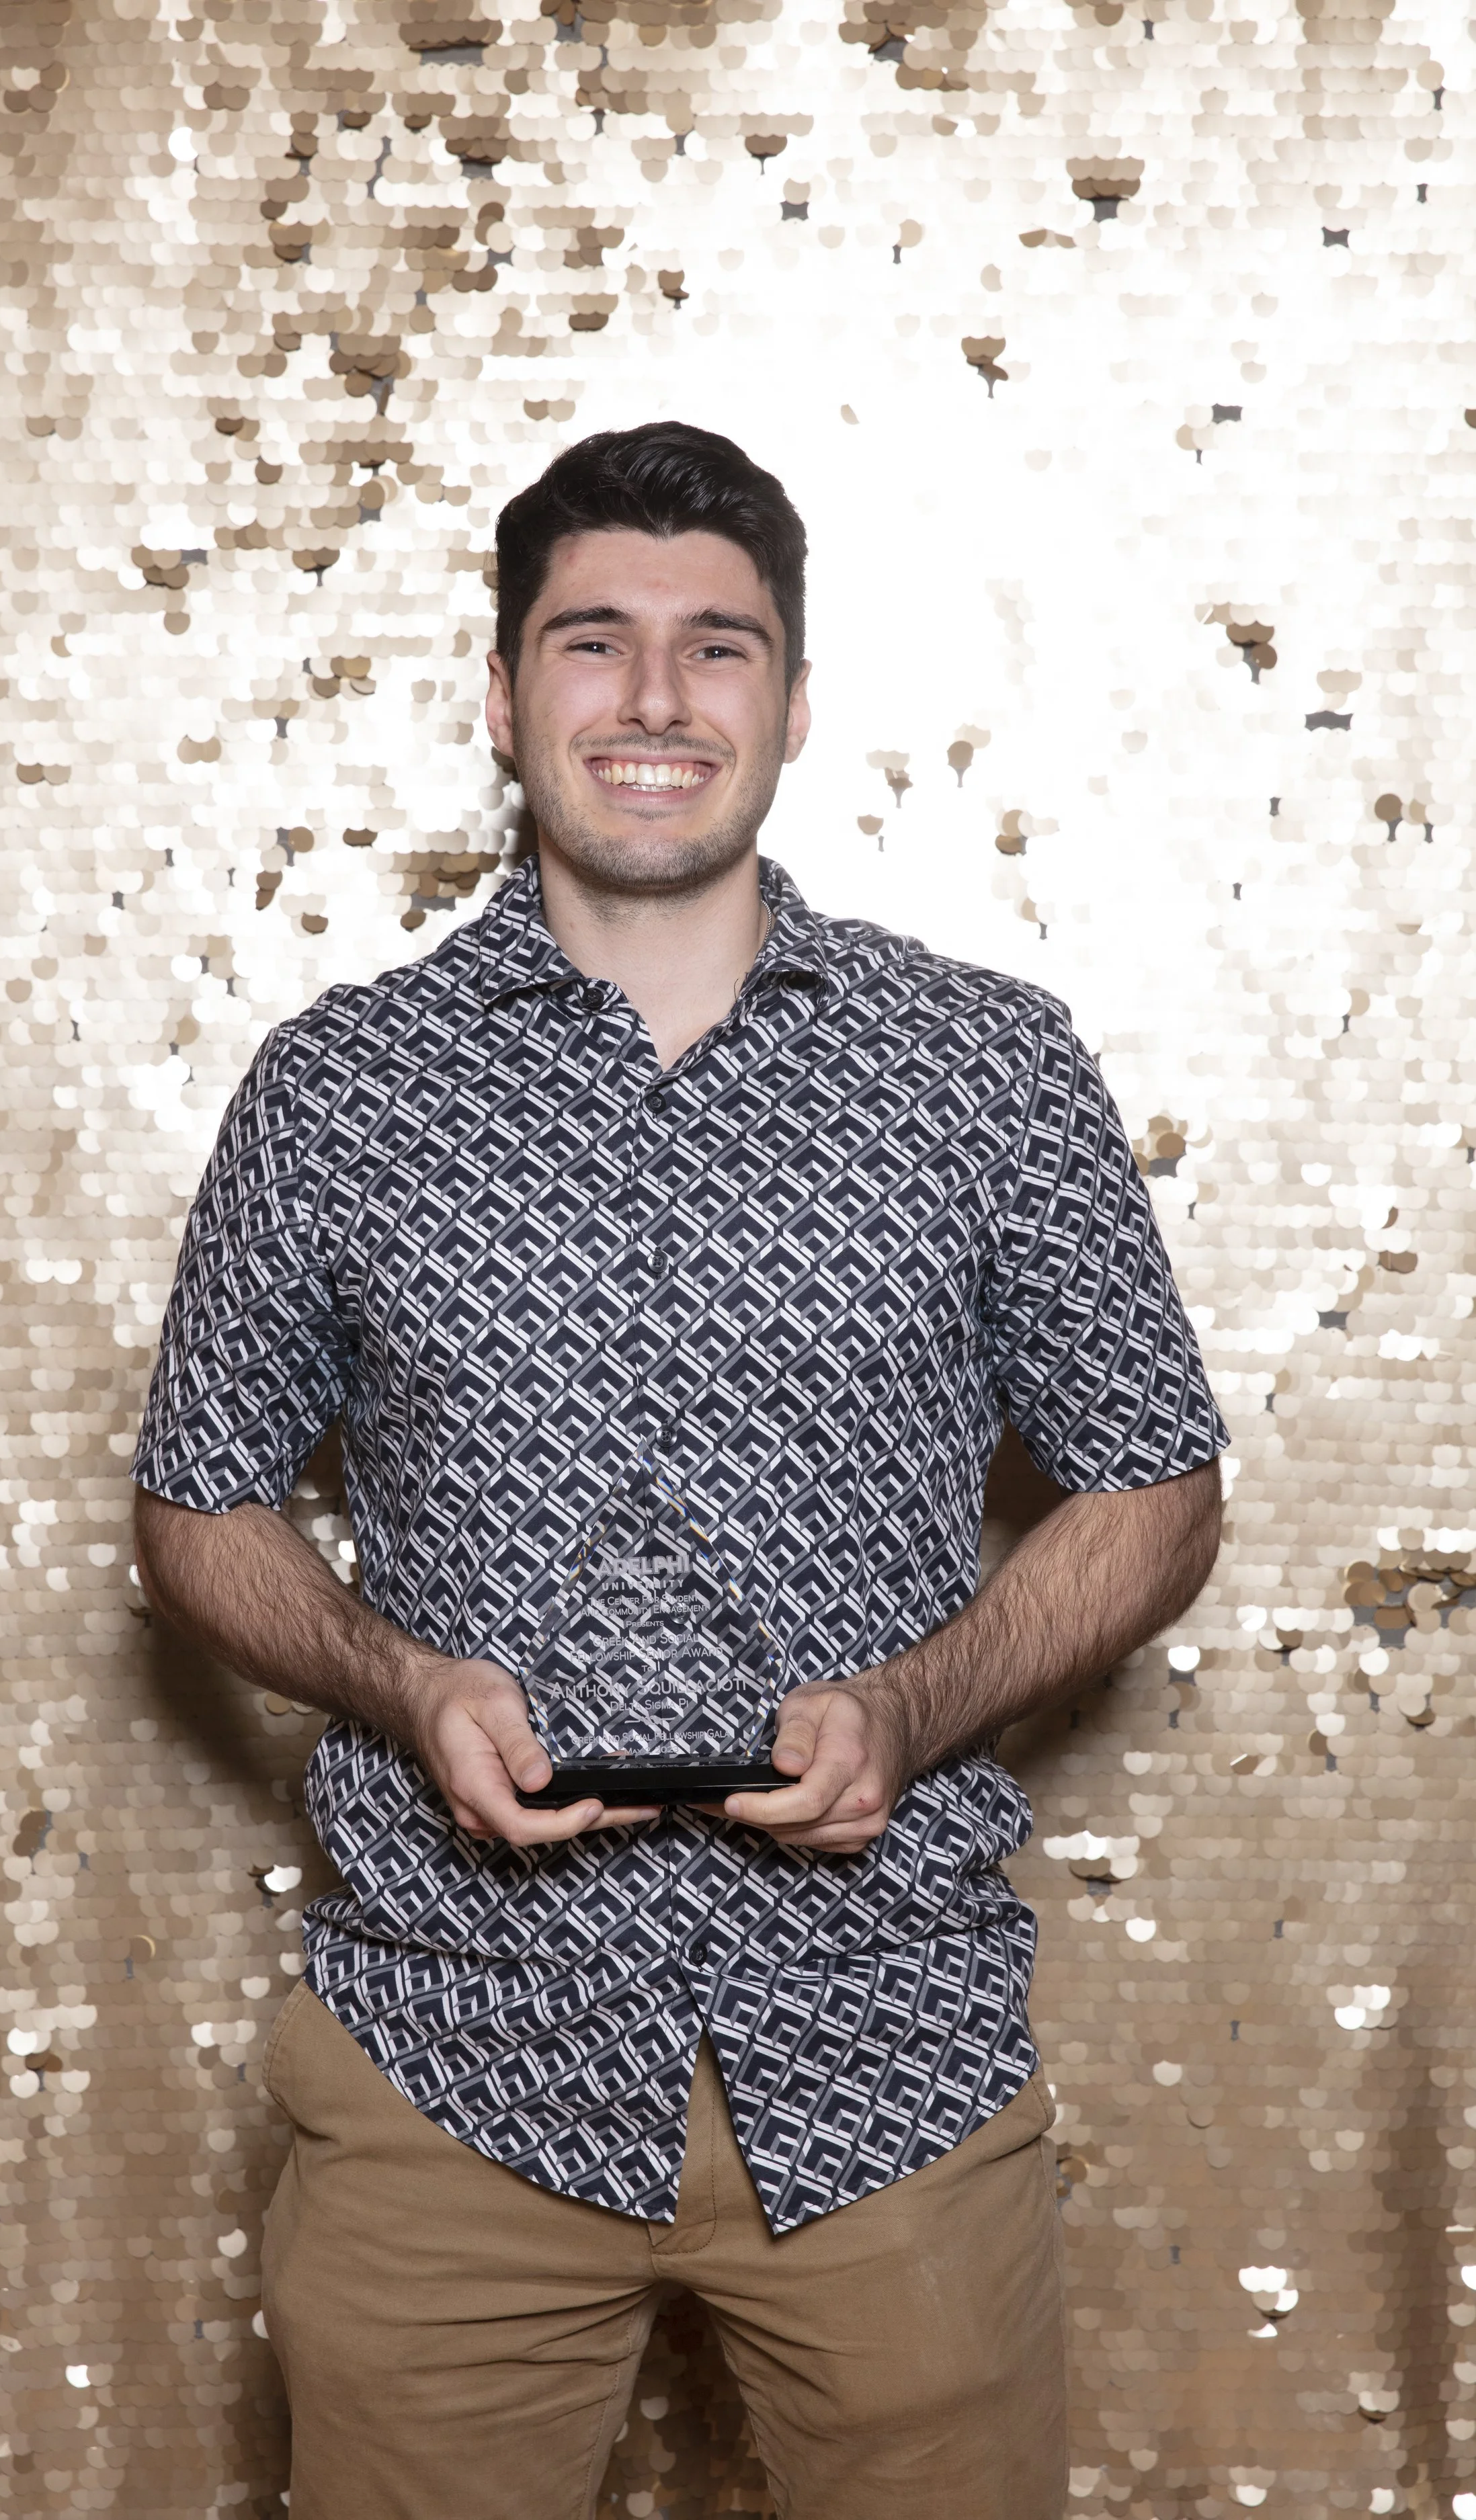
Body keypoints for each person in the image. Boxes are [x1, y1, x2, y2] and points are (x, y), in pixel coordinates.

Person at [132, 421, 1227, 2520]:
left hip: (887, 2058)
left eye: (716, 649)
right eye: (591, 643)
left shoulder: (983, 1066)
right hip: (456, 2058)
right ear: (499, 693)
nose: (652, 702)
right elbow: (198, 1506)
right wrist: (404, 1685)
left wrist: (913, 1706)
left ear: (793, 704)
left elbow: (1155, 1483)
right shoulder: (338, 1088)